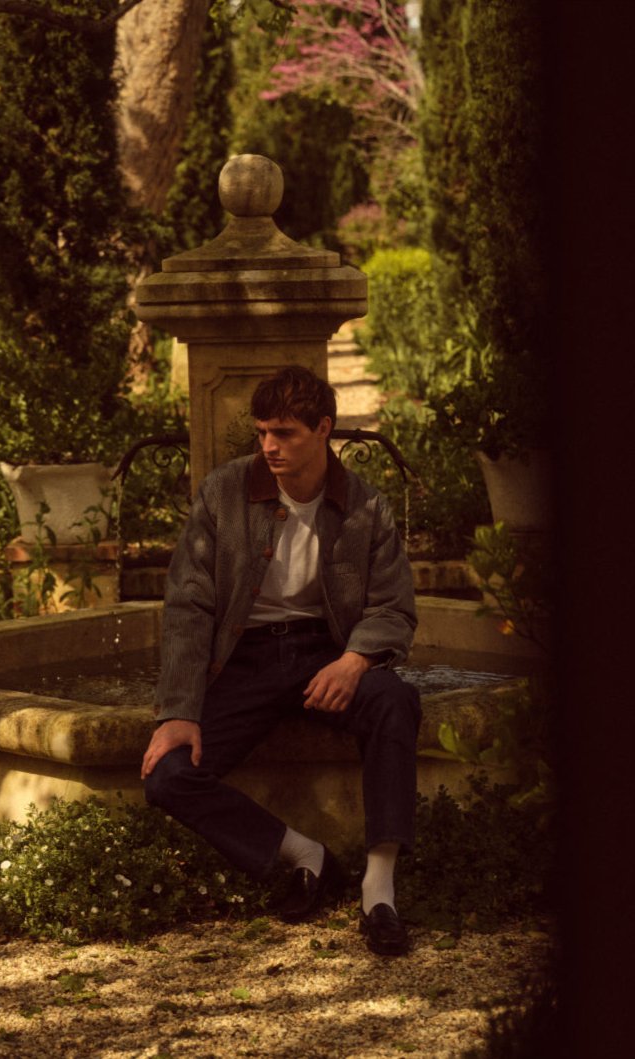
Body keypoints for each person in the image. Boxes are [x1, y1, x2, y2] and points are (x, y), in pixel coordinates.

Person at [141, 365, 420, 956]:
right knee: (167, 775)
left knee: (396, 699)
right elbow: (188, 605)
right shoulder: (224, 491)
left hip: (327, 651)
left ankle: (379, 888)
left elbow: (393, 608)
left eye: (286, 432)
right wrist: (179, 709)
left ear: (324, 429)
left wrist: (354, 661)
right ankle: (302, 852)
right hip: (245, 660)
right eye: (263, 431)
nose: (269, 445)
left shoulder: (366, 506)